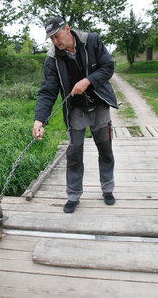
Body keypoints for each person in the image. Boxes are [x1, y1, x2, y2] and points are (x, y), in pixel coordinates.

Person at [33, 17, 118, 213]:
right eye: (51, 39)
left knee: (105, 151)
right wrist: (39, 119)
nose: (55, 42)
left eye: (57, 36)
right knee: (74, 154)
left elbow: (108, 67)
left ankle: (107, 189)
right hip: (76, 110)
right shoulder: (53, 58)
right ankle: (73, 195)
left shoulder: (93, 41)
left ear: (67, 29)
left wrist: (87, 81)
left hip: (99, 106)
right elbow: (47, 90)